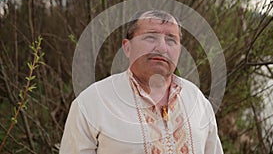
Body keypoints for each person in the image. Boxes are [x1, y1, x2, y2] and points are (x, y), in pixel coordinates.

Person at [59, 10, 223, 154]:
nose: (162, 47)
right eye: (150, 37)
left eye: (171, 40)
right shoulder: (92, 103)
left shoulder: (197, 101)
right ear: (127, 47)